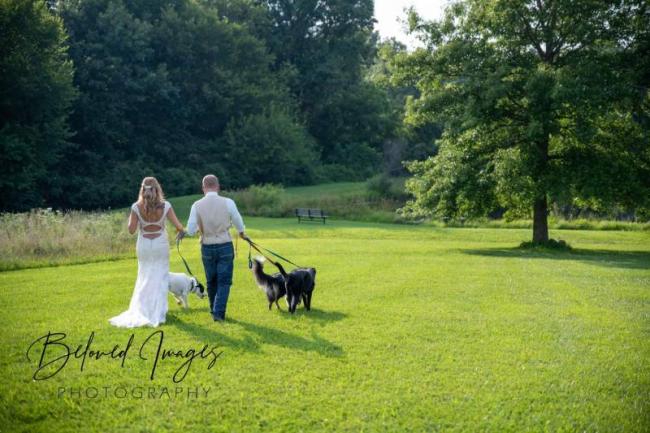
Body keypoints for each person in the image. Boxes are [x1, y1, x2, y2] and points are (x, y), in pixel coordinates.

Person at [109, 177, 184, 328]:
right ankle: (158, 312)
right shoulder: (166, 206)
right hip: (160, 245)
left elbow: (131, 230)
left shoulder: (136, 207)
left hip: (143, 244)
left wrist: (132, 216)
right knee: (160, 277)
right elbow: (179, 226)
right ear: (157, 189)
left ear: (142, 190)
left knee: (144, 276)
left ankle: (143, 309)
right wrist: (180, 232)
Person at [181, 174, 247, 322]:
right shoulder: (228, 202)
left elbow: (190, 230)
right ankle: (218, 312)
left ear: (203, 188)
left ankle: (214, 310)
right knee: (224, 281)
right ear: (217, 186)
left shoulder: (196, 205)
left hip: (207, 246)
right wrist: (242, 233)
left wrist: (199, 228)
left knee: (211, 281)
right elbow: (237, 221)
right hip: (225, 245)